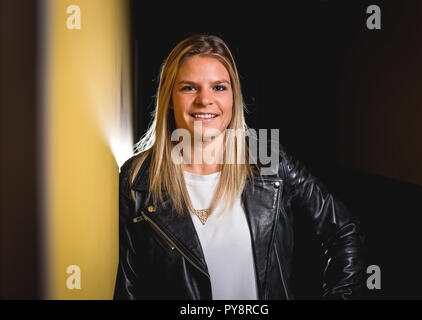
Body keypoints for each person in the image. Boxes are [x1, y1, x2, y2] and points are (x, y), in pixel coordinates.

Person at [113, 34, 366, 300]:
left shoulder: (266, 157)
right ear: (169, 98)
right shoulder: (137, 179)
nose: (205, 100)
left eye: (219, 87)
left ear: (234, 96)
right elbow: (129, 287)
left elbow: (344, 231)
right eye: (189, 87)